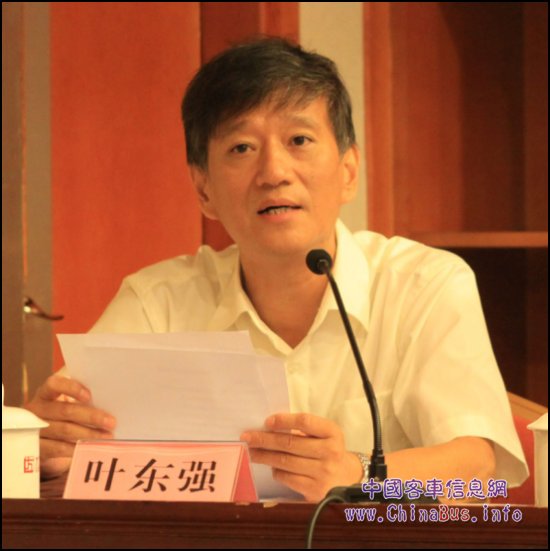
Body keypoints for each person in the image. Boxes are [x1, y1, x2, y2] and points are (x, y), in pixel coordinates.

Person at [26, 37, 527, 502]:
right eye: (241, 148)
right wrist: (40, 444)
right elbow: (66, 444)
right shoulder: (157, 302)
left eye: (299, 140)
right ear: (203, 190)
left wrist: (357, 474)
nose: (274, 172)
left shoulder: (424, 285)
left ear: (348, 171)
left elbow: (478, 472)